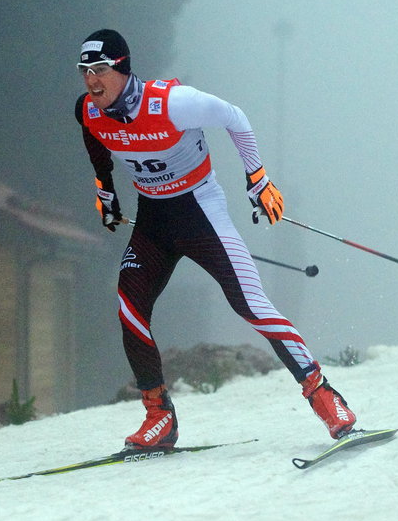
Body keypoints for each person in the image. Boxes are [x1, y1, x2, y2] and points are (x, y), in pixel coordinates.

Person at [74, 29, 356, 451]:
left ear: (123, 68)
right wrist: (105, 190)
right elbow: (96, 143)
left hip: (199, 211)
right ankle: (159, 417)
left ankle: (324, 396)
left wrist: (257, 177)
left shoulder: (171, 103)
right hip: (153, 220)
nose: (92, 81)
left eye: (100, 70)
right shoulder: (88, 111)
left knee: (252, 305)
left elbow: (234, 117)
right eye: (84, 72)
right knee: (129, 308)